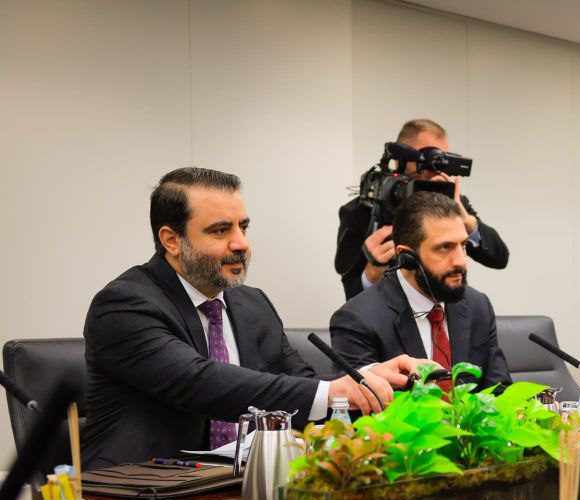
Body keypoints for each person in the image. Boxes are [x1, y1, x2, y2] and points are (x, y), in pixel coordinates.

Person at [82, 168, 426, 469]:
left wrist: (364, 379)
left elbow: (300, 384)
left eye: (243, 227)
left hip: (240, 491)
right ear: (171, 240)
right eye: (220, 231)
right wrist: (334, 390)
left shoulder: (252, 304)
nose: (241, 244)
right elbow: (201, 382)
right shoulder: (124, 305)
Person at [330, 190, 511, 391]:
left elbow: (499, 390)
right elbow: (359, 410)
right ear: (407, 257)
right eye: (445, 247)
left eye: (464, 245)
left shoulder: (478, 305)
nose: (460, 260)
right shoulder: (357, 319)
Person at [334, 118, 509, 300]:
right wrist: (371, 273)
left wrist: (466, 221)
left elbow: (499, 258)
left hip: (443, 315)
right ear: (400, 160)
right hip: (388, 318)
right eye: (431, 157)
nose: (437, 169)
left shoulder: (451, 203)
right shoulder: (361, 210)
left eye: (443, 160)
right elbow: (351, 291)